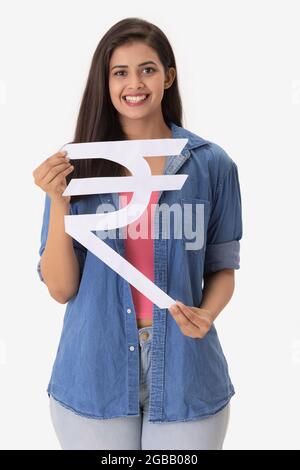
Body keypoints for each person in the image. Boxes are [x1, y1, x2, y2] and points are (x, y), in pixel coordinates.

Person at [33, 17, 243, 450]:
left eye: (147, 69)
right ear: (105, 83)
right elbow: (60, 287)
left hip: (188, 375)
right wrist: (57, 202)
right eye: (120, 72)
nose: (135, 83)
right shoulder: (76, 169)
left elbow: (222, 267)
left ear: (168, 77)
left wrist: (208, 314)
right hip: (94, 372)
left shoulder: (211, 164)